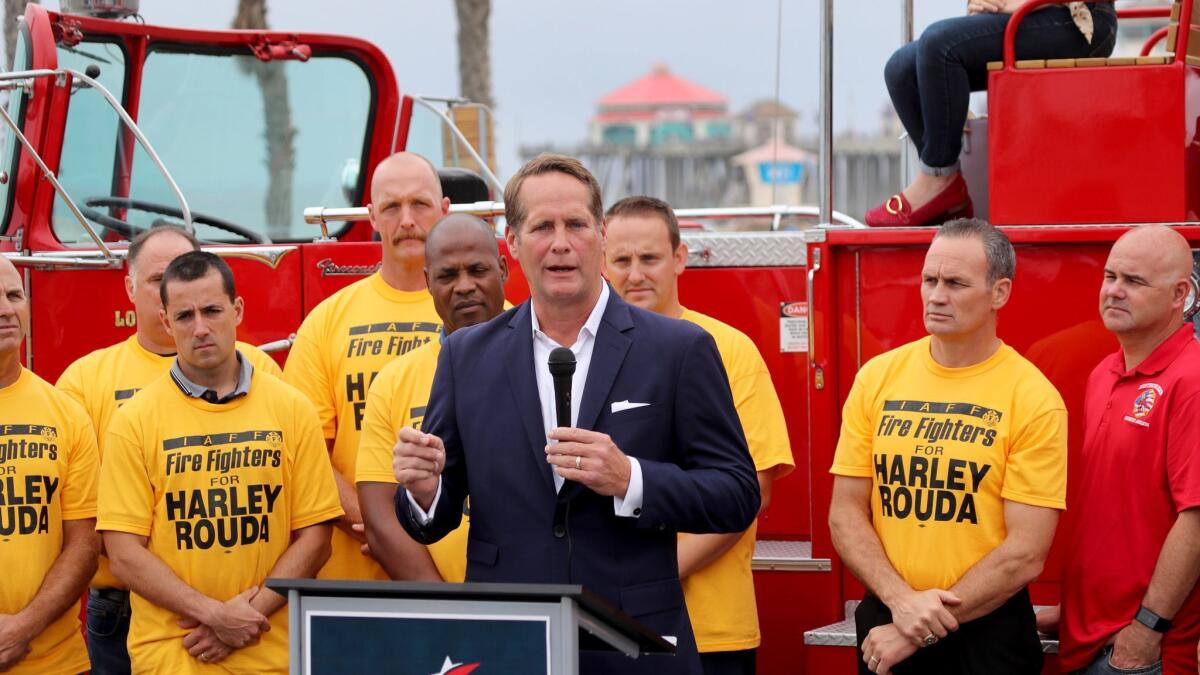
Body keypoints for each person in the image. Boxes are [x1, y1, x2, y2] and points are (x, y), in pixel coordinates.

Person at [390, 153, 760, 675]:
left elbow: (736, 495)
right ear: (513, 243)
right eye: (542, 226)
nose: (561, 242)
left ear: (602, 234)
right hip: (506, 643)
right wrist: (425, 492)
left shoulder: (679, 349)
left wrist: (630, 478)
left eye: (576, 225)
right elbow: (435, 515)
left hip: (639, 644)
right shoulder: (466, 356)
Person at [828, 218, 1067, 674]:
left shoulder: (1033, 399)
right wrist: (901, 604)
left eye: (956, 283)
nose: (936, 295)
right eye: (929, 280)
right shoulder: (877, 378)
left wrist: (918, 628)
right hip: (886, 623)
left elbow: (1026, 553)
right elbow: (845, 514)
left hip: (986, 635)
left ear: (1000, 293)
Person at [97, 252, 342, 673]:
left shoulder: (293, 409)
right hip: (173, 656)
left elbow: (316, 537)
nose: (201, 328)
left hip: (271, 651)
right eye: (185, 315)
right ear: (166, 320)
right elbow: (122, 554)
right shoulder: (134, 420)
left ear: (237, 309)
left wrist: (248, 616)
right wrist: (212, 614)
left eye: (212, 310)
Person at [56, 224, 281, 675]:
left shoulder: (262, 373)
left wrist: (232, 612)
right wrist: (198, 607)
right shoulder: (83, 382)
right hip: (123, 609)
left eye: (183, 272)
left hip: (248, 610)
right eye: (159, 278)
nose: (172, 290)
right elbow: (75, 514)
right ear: (131, 287)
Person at [603, 195, 794, 675]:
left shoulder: (729, 351)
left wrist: (647, 578)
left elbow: (754, 490)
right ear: (602, 264)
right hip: (604, 625)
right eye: (621, 260)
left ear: (679, 259)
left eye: (649, 258)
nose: (635, 274)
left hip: (711, 630)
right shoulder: (584, 354)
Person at [284, 151, 450, 581]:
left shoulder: (487, 317)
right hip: (353, 572)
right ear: (372, 216)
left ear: (445, 210)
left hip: (457, 571)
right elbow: (304, 451)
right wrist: (381, 528)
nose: (407, 219)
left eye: (420, 204)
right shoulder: (325, 322)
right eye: (392, 207)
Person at [1041, 225, 1200, 674]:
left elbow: (1196, 518)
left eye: (1134, 281)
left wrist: (1148, 629)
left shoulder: (1192, 379)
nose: (1114, 291)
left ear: (1178, 295)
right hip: (1087, 639)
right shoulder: (1103, 374)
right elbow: (1113, 514)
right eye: (1110, 276)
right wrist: (1071, 611)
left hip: (1137, 652)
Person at [356, 213, 510, 583]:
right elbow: (380, 519)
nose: (464, 286)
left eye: (477, 270)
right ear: (427, 282)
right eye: (447, 275)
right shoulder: (393, 381)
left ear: (503, 269)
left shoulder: (549, 358)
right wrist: (447, 608)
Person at [865, 3, 1116, 227]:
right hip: (1031, 14)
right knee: (901, 68)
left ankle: (938, 179)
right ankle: (945, 187)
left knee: (939, 43)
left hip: (1081, 20)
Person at [0, 255, 100, 674]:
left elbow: (84, 544)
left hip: (54, 663)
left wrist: (23, 627)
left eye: (14, 295)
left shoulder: (67, 414)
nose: (6, 310)